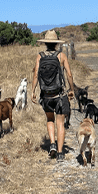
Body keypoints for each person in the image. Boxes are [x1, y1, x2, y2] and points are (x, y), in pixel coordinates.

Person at [31, 30, 75, 161]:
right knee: (60, 123)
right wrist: (71, 89)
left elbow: (35, 75)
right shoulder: (61, 56)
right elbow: (69, 74)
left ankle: (52, 145)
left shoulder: (40, 56)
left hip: (46, 95)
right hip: (59, 95)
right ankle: (61, 153)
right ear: (56, 44)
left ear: (45, 43)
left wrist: (32, 91)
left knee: (50, 119)